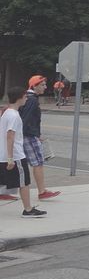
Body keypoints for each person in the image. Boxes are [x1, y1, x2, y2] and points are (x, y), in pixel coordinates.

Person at [2, 87, 46, 217]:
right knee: (24, 182)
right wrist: (10, 158)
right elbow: (10, 136)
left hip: (4, 155)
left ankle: (28, 208)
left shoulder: (6, 112)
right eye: (25, 96)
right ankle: (27, 209)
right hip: (15, 156)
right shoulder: (14, 115)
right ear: (20, 97)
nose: (27, 98)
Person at [19, 75, 60, 201]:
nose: (45, 87)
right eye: (42, 85)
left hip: (25, 135)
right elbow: (26, 120)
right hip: (28, 136)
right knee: (38, 163)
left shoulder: (28, 98)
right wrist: (35, 135)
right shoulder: (32, 100)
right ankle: (42, 191)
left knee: (16, 165)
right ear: (34, 86)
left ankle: (3, 191)